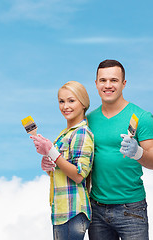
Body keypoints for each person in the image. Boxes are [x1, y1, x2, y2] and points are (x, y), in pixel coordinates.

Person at [87, 59, 153, 240]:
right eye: (103, 80)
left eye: (113, 80)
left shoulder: (141, 117)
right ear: (96, 84)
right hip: (96, 209)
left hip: (131, 209)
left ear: (123, 84)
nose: (108, 85)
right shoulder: (88, 120)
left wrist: (138, 153)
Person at [30, 81, 94, 240]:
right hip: (61, 209)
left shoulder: (81, 133)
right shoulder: (64, 134)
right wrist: (47, 164)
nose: (65, 106)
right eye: (61, 101)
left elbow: (79, 175)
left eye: (71, 101)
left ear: (83, 103)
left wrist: (51, 151)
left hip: (73, 210)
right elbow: (60, 168)